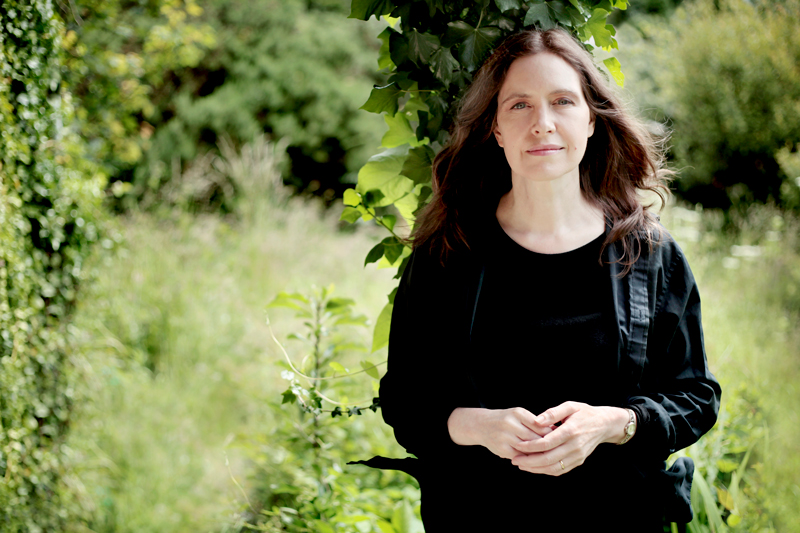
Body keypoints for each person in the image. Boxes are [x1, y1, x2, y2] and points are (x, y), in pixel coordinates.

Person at [358, 28, 721, 532]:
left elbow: (696, 397)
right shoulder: (449, 251)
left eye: (562, 101)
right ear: (496, 129)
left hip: (619, 518)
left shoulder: (650, 254)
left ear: (591, 119)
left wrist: (614, 423)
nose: (542, 124)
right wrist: (478, 426)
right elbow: (406, 401)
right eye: (520, 106)